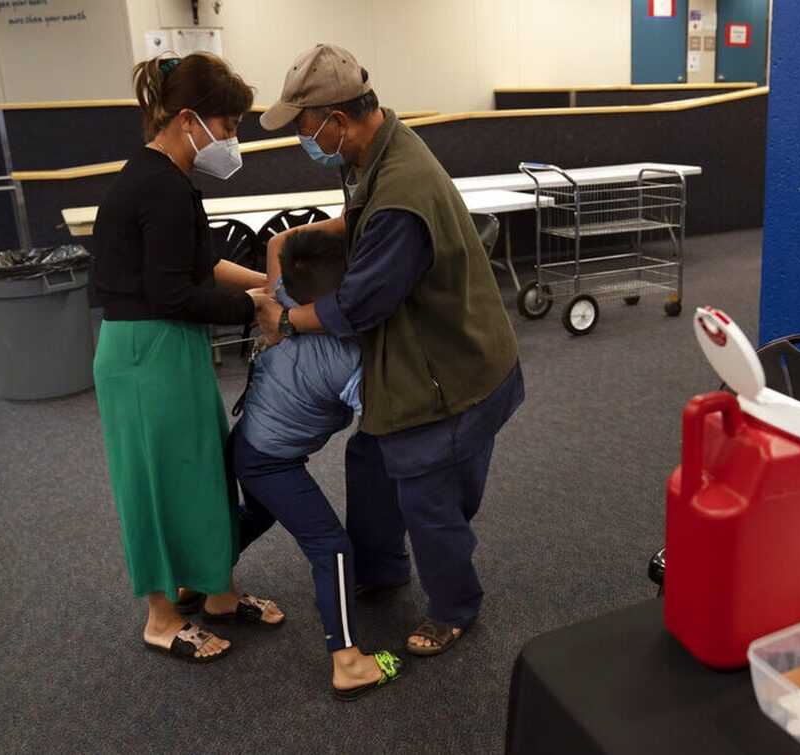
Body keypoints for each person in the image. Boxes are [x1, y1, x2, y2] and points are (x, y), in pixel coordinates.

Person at [255, 44, 524, 656]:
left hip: (451, 371)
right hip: (424, 354)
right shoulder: (378, 150)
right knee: (371, 458)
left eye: (303, 128)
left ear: (337, 120)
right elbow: (359, 218)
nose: (302, 140)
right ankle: (380, 569)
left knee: (429, 495)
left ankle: (453, 608)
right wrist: (301, 235)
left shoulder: (403, 188)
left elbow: (359, 305)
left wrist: (286, 320)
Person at [91, 53, 284, 663]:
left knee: (202, 468)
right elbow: (173, 294)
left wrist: (275, 285)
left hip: (166, 344)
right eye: (227, 126)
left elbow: (202, 264)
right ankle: (161, 615)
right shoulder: (158, 186)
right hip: (143, 351)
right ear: (187, 120)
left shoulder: (169, 179)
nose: (231, 140)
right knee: (155, 481)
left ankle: (217, 591)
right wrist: (253, 308)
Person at [230, 230, 403, 699]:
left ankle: (198, 579)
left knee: (257, 515)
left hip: (249, 439)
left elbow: (278, 245)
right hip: (271, 460)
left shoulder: (283, 297)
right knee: (332, 547)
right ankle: (348, 663)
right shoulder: (348, 360)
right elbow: (386, 423)